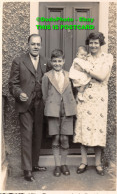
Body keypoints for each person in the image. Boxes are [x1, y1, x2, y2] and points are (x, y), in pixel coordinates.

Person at [9, 34, 50, 181]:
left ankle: (34, 164)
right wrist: (19, 94)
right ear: (28, 45)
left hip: (40, 104)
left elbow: (53, 79)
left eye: (38, 44)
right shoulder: (18, 61)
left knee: (38, 135)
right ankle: (27, 170)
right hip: (25, 105)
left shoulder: (46, 61)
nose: (36, 47)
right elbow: (12, 84)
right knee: (27, 135)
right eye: (33, 44)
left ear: (41, 45)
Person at [73, 32, 113, 176]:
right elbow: (76, 75)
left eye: (96, 42)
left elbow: (102, 76)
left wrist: (87, 69)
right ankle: (83, 162)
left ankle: (97, 163)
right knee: (84, 128)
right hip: (85, 97)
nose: (93, 45)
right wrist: (80, 89)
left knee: (98, 129)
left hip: (100, 99)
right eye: (91, 42)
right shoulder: (84, 57)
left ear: (101, 43)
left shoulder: (107, 57)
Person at [42, 49, 77, 177]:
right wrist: (51, 107)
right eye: (55, 61)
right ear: (51, 62)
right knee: (56, 138)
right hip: (53, 111)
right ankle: (57, 165)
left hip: (67, 111)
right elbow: (44, 95)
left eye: (60, 61)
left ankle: (64, 164)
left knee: (64, 138)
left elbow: (74, 92)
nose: (57, 63)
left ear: (64, 61)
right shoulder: (47, 76)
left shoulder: (69, 75)